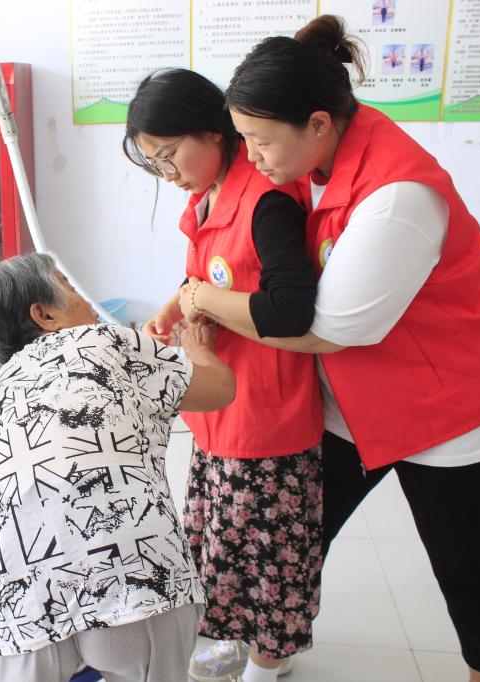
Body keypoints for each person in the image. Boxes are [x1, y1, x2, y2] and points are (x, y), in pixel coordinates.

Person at [187, 15, 480, 682]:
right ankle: (265, 648)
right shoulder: (311, 155)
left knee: (468, 562)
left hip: (450, 407)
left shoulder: (398, 197)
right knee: (292, 536)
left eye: (260, 141)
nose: (250, 157)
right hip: (353, 397)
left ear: (318, 123)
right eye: (243, 138)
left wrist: (201, 298)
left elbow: (323, 329)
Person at [0, 253, 236, 682]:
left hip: (25, 614)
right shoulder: (106, 341)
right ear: (44, 314)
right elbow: (220, 388)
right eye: (68, 286)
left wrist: (15, 594)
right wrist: (198, 348)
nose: (83, 297)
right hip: (135, 586)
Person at [124, 69, 323, 682]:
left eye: (169, 153)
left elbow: (291, 309)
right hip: (222, 407)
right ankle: (241, 643)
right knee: (226, 543)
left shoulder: (266, 202)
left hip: (266, 416)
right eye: (153, 162)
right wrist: (173, 307)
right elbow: (207, 275)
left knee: (271, 557)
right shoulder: (209, 193)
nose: (167, 172)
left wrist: (199, 302)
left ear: (213, 131)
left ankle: (269, 663)